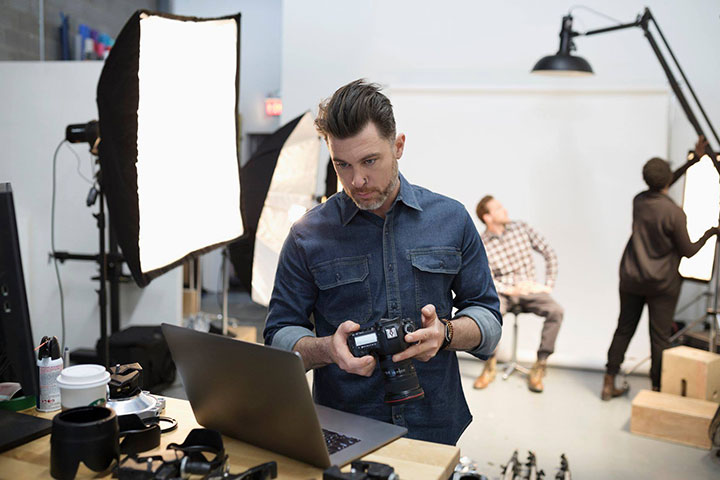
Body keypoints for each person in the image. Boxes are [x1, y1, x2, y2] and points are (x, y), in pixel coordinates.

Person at [263, 79, 502, 445]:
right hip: (342, 428)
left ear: (399, 146)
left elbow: (489, 322)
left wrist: (446, 333)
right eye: (341, 164)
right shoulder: (306, 234)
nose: (356, 180)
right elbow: (279, 337)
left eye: (369, 161)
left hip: (434, 423)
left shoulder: (451, 219)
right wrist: (326, 348)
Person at [603, 137, 719, 400]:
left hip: (632, 278)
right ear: (666, 180)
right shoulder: (674, 214)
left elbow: (662, 184)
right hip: (662, 285)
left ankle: (608, 382)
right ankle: (656, 389)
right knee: (659, 338)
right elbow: (688, 251)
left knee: (624, 329)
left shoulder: (639, 201)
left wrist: (692, 162)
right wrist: (711, 232)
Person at [472, 196, 563, 393]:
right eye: (498, 208)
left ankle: (540, 365)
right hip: (504, 293)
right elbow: (485, 277)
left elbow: (549, 253)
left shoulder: (521, 228)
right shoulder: (481, 242)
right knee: (488, 316)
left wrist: (547, 285)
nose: (504, 210)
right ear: (487, 217)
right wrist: (509, 289)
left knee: (556, 311)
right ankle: (490, 364)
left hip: (529, 291)